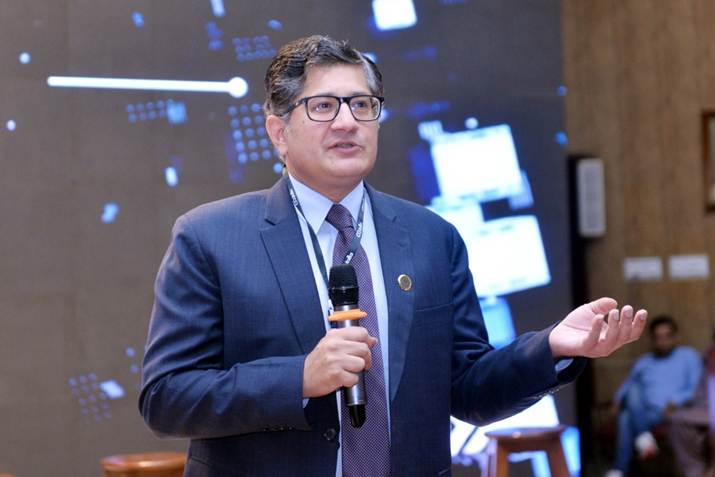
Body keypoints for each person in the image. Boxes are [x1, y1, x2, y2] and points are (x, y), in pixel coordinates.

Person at [139, 35, 647, 477]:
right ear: (278, 132)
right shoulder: (210, 238)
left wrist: (551, 348)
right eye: (323, 106)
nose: (347, 122)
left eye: (362, 105)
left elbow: (468, 389)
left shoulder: (431, 237)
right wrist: (299, 379)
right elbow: (166, 397)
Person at [605, 315, 702, 477]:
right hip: (644, 411)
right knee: (633, 390)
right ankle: (644, 440)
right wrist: (617, 400)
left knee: (625, 416)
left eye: (667, 336)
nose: (663, 341)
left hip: (672, 411)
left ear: (676, 336)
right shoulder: (644, 361)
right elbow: (628, 383)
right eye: (658, 337)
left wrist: (675, 400)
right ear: (652, 340)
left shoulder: (689, 356)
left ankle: (620, 469)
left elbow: (696, 388)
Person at [668, 328, 715, 477]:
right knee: (678, 420)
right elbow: (700, 391)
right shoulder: (709, 356)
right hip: (705, 406)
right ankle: (695, 471)